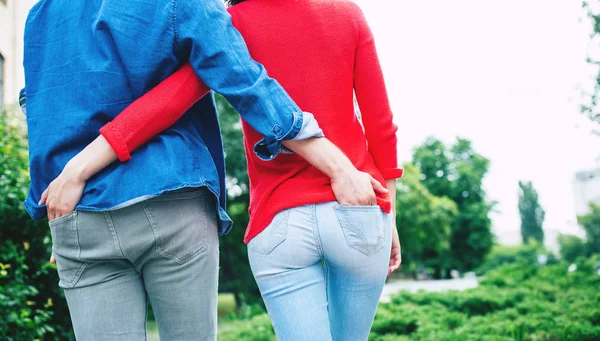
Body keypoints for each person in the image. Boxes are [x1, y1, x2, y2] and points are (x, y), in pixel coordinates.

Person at [22, 0, 385, 340]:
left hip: (81, 210)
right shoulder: (345, 13)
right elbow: (238, 75)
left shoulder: (41, 12)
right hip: (171, 196)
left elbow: (40, 109)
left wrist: (59, 201)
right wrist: (339, 166)